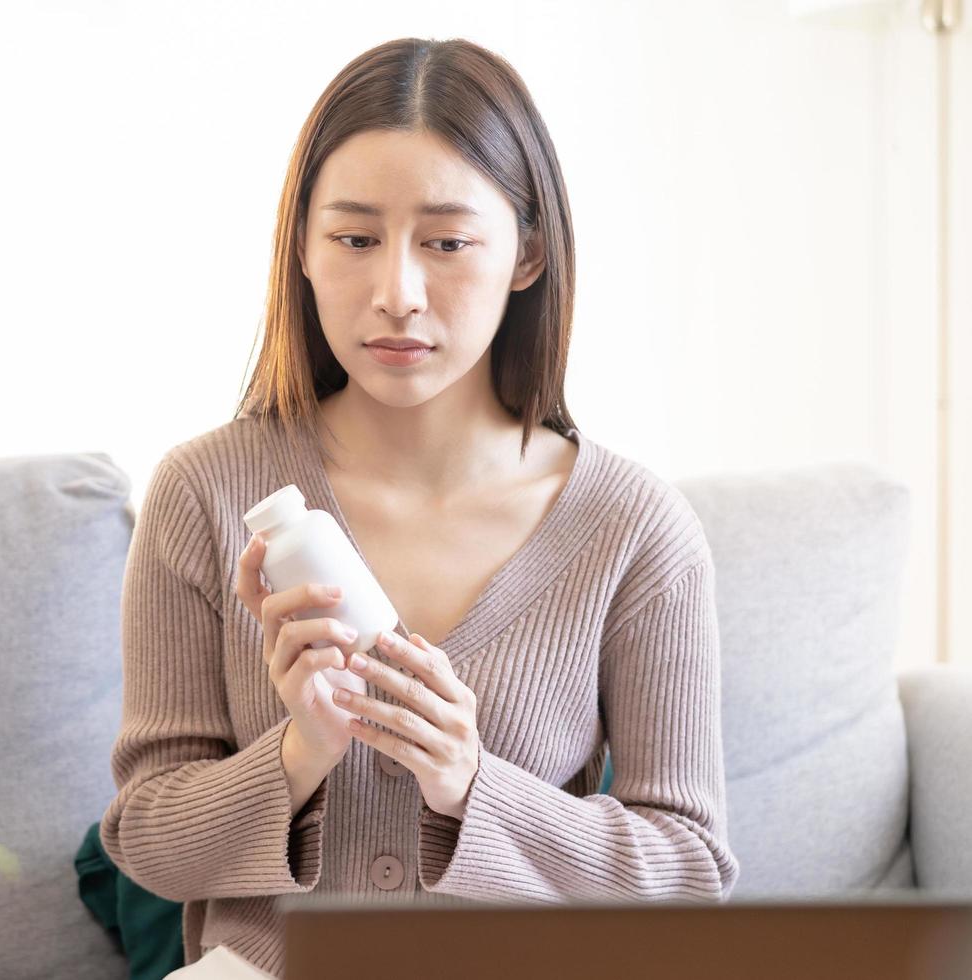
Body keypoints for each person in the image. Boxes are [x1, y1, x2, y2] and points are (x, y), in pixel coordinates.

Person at [100, 35, 740, 980]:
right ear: (304, 253)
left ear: (526, 253)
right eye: (355, 239)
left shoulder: (634, 531)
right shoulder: (205, 493)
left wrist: (472, 785)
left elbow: (690, 871)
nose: (396, 293)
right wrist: (298, 753)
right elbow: (147, 839)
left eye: (447, 242)